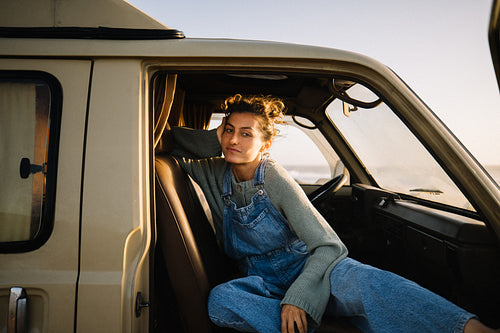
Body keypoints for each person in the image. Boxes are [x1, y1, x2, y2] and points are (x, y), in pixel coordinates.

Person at [168, 94, 498, 333]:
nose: (233, 140)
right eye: (228, 130)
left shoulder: (273, 176)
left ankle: (471, 330)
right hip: (261, 280)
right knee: (221, 300)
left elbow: (329, 247)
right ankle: (310, 324)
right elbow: (172, 141)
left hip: (309, 267)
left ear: (266, 145)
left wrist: (299, 295)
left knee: (368, 281)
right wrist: (226, 138)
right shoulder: (211, 171)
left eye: (246, 133)